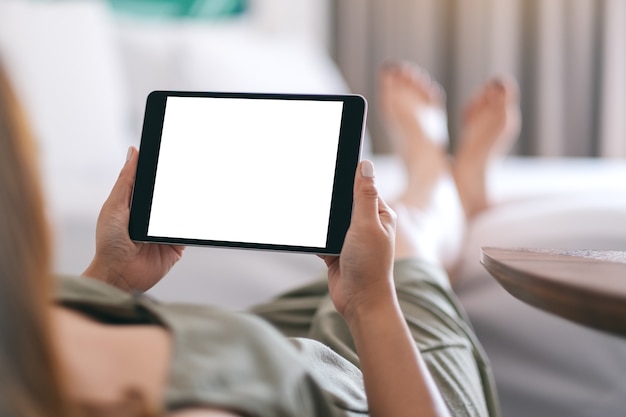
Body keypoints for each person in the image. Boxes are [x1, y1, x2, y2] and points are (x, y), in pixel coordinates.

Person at [0, 59, 511, 417]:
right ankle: (435, 171)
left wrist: (106, 279)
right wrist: (372, 301)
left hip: (283, 349)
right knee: (406, 240)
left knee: (377, 244)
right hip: (382, 386)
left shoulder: (28, 332)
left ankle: (445, 190)